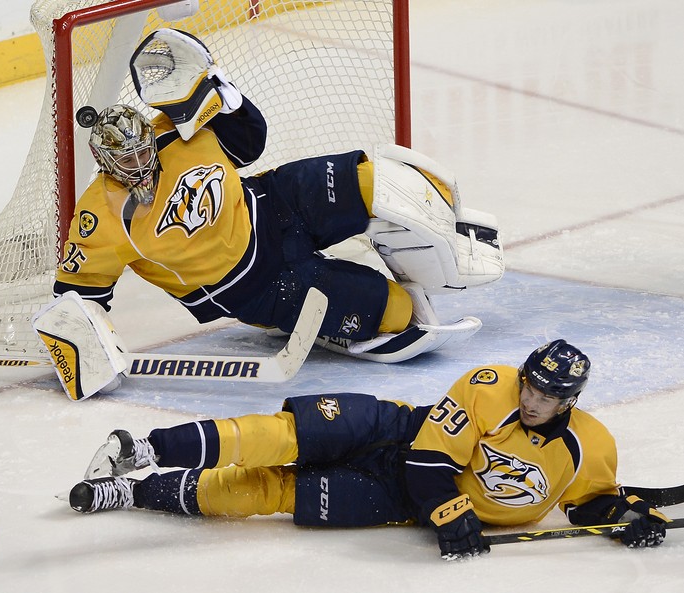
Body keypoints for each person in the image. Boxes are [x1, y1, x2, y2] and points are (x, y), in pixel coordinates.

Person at [44, 28, 504, 393]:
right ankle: (339, 318)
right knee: (398, 313)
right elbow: (77, 294)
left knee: (381, 179)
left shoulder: (180, 131)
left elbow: (250, 143)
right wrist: (81, 346)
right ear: (105, 162)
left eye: (143, 149)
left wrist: (223, 93)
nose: (140, 162)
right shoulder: (99, 217)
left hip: (274, 202)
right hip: (255, 287)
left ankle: (448, 257)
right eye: (125, 159)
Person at [65, 339, 670, 559]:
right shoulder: (490, 385)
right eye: (532, 385)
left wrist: (622, 518)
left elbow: (588, 501)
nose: (533, 399)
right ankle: (144, 447)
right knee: (277, 435)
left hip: (395, 499)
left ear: (571, 399)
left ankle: (134, 491)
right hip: (392, 433)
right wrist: (454, 518)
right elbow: (432, 460)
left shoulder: (591, 442)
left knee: (271, 492)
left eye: (548, 395)